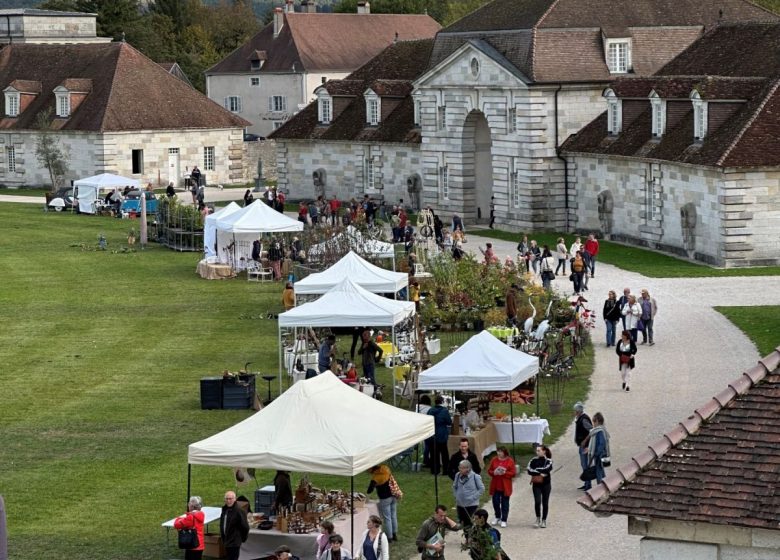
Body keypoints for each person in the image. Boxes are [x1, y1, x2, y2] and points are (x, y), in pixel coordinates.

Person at [367, 464, 398, 542]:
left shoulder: (376, 477)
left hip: (385, 498)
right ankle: (394, 534)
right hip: (394, 495)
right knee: (393, 515)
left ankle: (389, 537)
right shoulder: (386, 469)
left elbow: (369, 490)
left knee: (387, 518)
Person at [486, 447, 515, 528]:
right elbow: (489, 470)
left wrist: (505, 473)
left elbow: (513, 473)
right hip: (495, 485)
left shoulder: (510, 461)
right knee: (495, 502)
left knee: (505, 503)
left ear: (504, 452)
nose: (499, 453)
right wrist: (494, 472)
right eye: (498, 451)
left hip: (505, 486)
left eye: (500, 452)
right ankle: (497, 516)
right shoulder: (494, 459)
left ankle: (504, 519)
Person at [452, 460, 485, 528]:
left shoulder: (475, 477)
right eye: (459, 467)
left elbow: (482, 489)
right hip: (460, 504)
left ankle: (470, 537)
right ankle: (467, 537)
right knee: (462, 522)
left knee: (469, 523)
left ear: (468, 468)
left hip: (472, 505)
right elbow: (454, 486)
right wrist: (456, 496)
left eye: (461, 468)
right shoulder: (457, 475)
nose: (459, 469)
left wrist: (472, 498)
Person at [527, 445, 553, 528]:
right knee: (537, 502)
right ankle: (538, 518)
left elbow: (548, 469)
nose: (537, 452)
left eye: (539, 450)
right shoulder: (533, 460)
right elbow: (529, 470)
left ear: (544, 451)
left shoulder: (549, 460)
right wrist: (540, 472)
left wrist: (536, 471)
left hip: (546, 485)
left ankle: (544, 519)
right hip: (536, 484)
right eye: (536, 450)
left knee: (545, 503)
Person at [220, 491, 249, 560]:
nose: (228, 501)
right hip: (226, 540)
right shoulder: (224, 509)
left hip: (234, 542)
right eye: (226, 499)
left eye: (230, 499)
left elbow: (245, 527)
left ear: (235, 499)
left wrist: (242, 538)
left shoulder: (239, 511)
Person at [428, 396, 452, 476]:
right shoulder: (444, 411)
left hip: (433, 434)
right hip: (442, 433)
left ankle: (435, 470)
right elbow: (449, 422)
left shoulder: (430, 410)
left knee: (434, 453)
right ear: (442, 401)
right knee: (444, 453)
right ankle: (445, 470)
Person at [573, 402, 593, 490]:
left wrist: (585, 441)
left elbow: (591, 431)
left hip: (585, 446)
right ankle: (586, 483)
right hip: (581, 445)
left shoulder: (584, 419)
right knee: (583, 464)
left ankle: (588, 484)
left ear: (579, 411)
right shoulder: (580, 418)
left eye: (575, 411)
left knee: (585, 465)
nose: (574, 413)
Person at [587, 412, 610, 485]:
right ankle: (605, 484)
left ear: (597, 421)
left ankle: (600, 487)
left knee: (598, 471)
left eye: (593, 421)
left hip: (599, 455)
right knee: (601, 470)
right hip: (601, 454)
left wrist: (596, 453)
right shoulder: (602, 430)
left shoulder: (599, 431)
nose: (593, 424)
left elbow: (601, 443)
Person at [417, 395, 433, 467]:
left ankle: (426, 459)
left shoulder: (418, 407)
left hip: (420, 427)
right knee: (428, 446)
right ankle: (426, 460)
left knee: (425, 445)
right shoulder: (429, 409)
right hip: (428, 428)